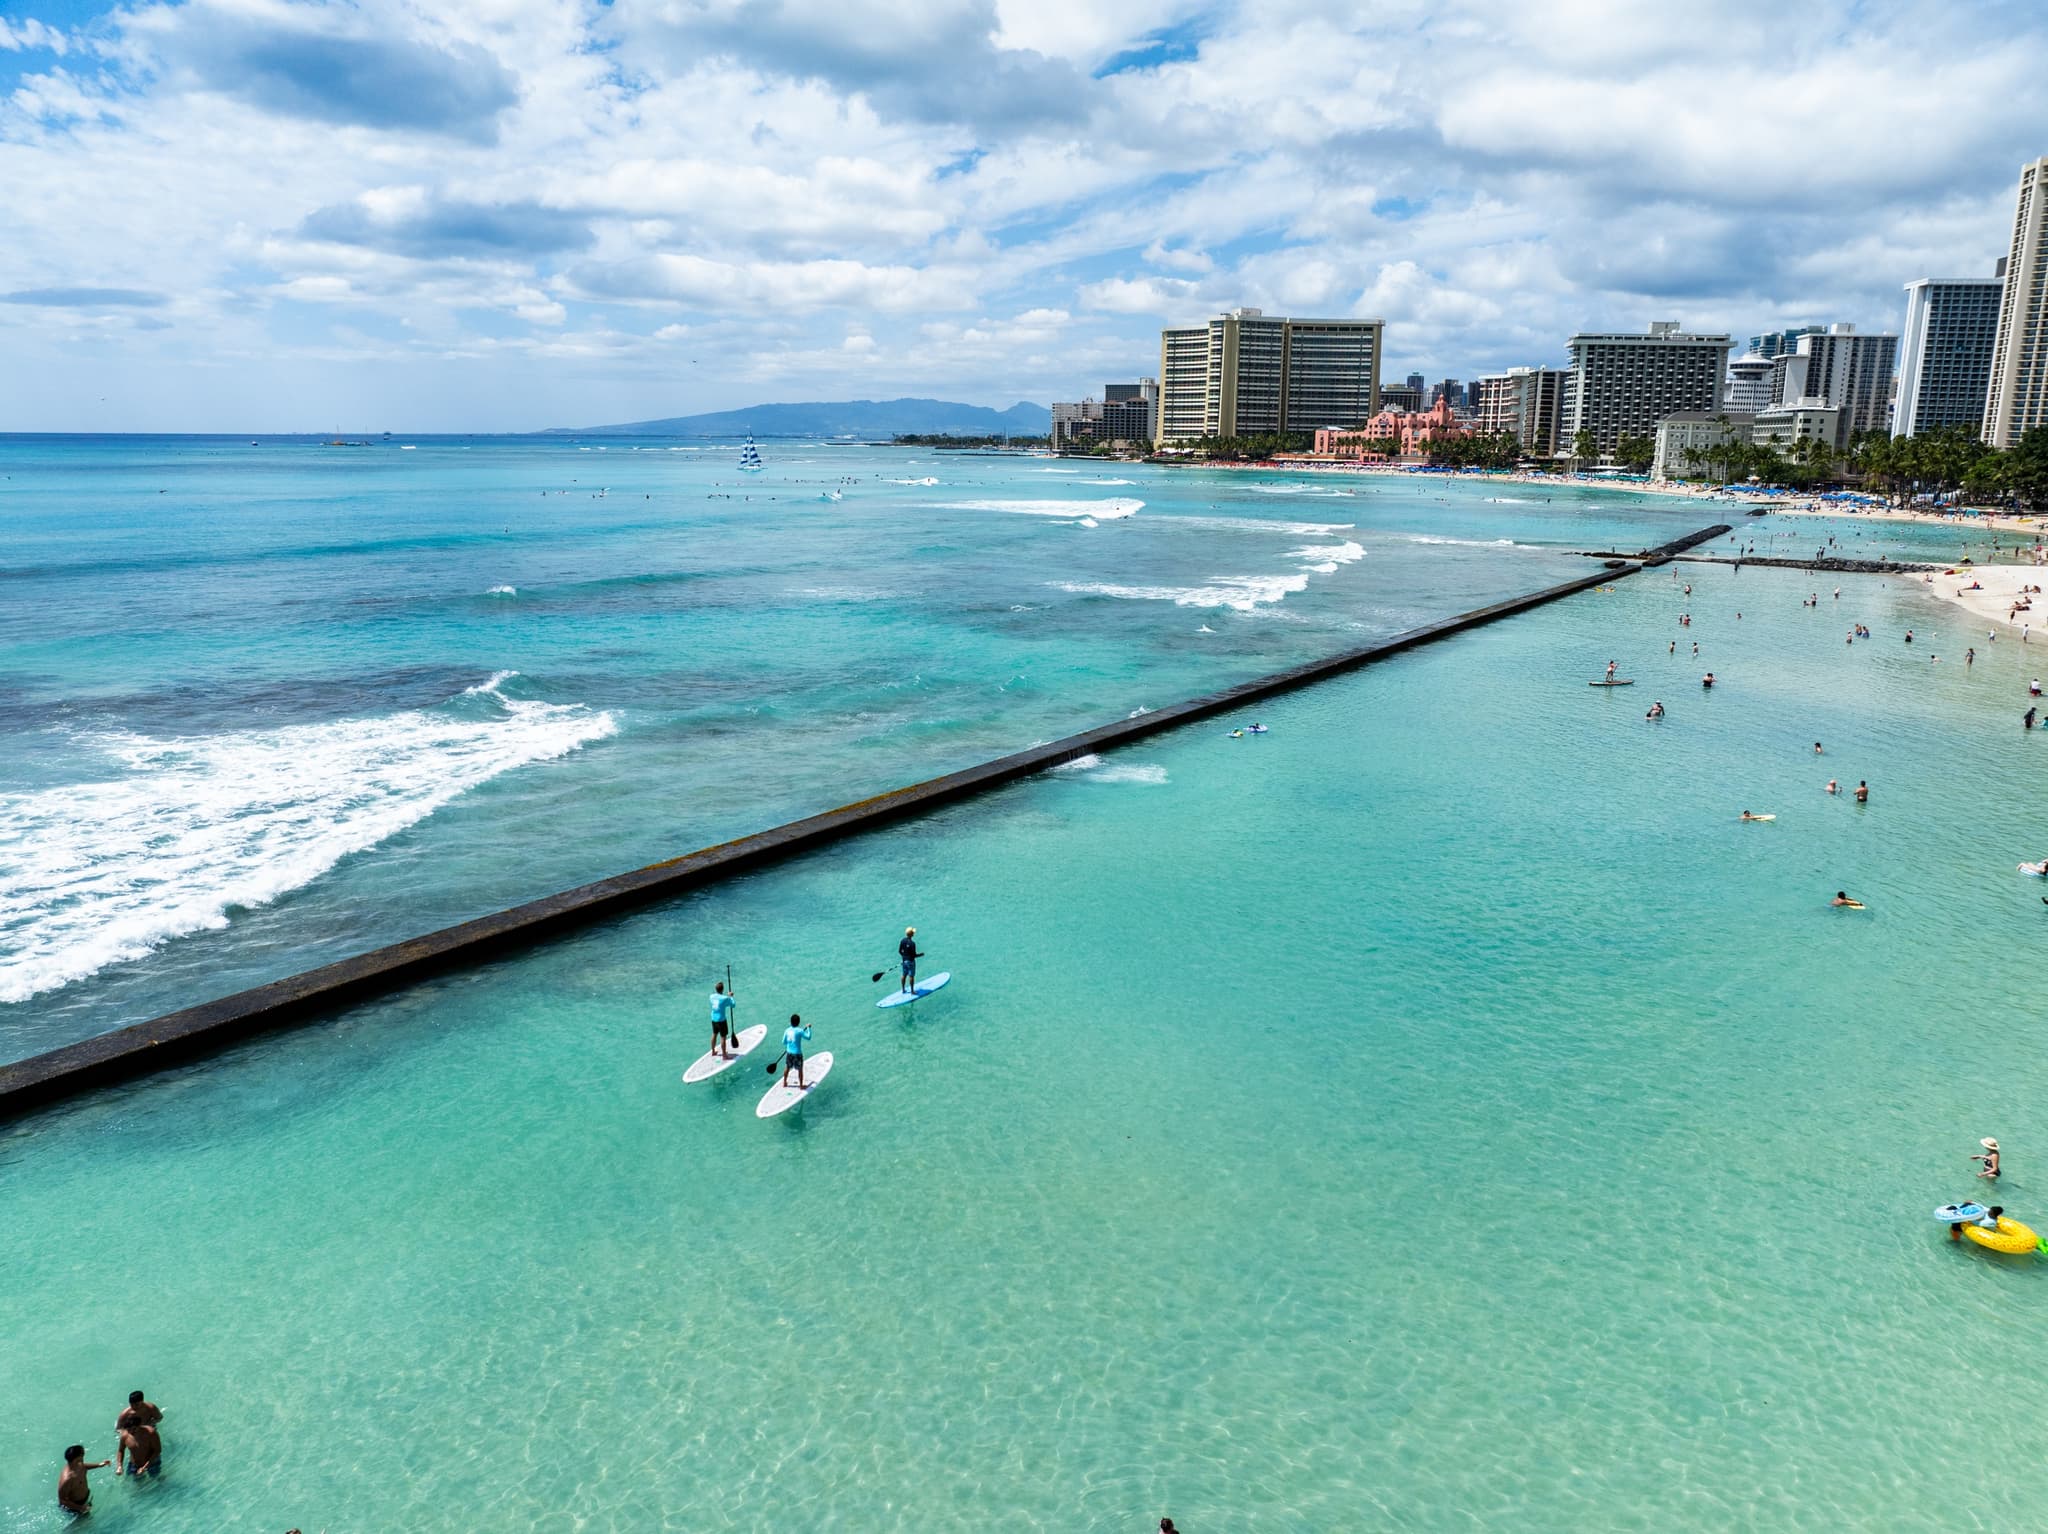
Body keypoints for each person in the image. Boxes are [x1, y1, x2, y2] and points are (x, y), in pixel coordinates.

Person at [115, 1392, 163, 1476]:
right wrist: (119, 1466)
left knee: (156, 1478)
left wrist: (144, 1467)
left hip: (150, 1460)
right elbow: (120, 1448)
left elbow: (159, 1418)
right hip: (135, 1464)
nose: (134, 1407)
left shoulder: (150, 1409)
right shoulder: (125, 1417)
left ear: (142, 1401)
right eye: (132, 1404)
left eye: (136, 1404)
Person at [59, 1446, 109, 1516]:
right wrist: (81, 1508)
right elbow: (62, 1500)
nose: (84, 1455)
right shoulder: (68, 1479)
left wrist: (98, 1465)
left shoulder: (78, 1464)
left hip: (84, 1500)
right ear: (77, 1458)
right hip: (76, 1506)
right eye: (82, 1454)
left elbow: (84, 1466)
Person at [780, 1013, 813, 1089]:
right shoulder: (800, 1031)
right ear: (798, 1022)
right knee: (800, 1070)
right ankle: (801, 1086)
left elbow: (783, 1042)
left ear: (790, 1022)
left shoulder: (787, 1030)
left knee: (787, 1068)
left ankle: (784, 1082)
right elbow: (808, 1037)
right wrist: (808, 1028)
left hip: (789, 1053)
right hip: (797, 1054)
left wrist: (790, 1043)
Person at [709, 981, 737, 1060]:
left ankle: (713, 1051)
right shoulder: (725, 998)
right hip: (721, 1020)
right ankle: (724, 1055)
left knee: (714, 1034)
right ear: (722, 989)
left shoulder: (711, 996)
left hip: (713, 1019)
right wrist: (730, 996)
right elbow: (733, 1005)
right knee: (723, 1037)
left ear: (716, 989)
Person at [898, 927, 923, 993]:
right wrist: (921, 955)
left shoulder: (902, 940)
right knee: (911, 976)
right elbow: (914, 955)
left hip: (904, 961)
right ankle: (912, 991)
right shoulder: (912, 943)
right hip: (911, 962)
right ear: (912, 934)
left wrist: (904, 957)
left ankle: (903, 990)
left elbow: (900, 951)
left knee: (904, 975)